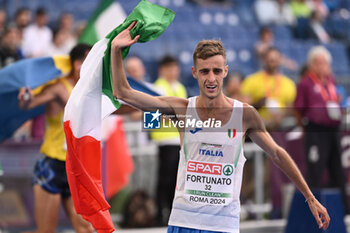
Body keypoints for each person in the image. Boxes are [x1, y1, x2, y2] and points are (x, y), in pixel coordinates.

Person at [110, 21, 329, 233]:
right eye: (204, 71)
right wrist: (115, 51)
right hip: (183, 221)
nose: (211, 78)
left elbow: (277, 153)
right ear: (195, 73)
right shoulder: (182, 109)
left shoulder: (245, 114)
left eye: (216, 71)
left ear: (225, 71)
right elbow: (123, 92)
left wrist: (310, 197)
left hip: (223, 226)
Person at [18, 43, 94, 233]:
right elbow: (30, 103)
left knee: (85, 228)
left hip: (76, 169)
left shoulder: (91, 91)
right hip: (52, 167)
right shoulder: (61, 88)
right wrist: (25, 98)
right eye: (92, 60)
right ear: (78, 64)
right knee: (46, 230)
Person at [294, 45, 348, 213]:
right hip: (316, 131)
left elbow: (337, 101)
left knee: (338, 170)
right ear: (312, 64)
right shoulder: (306, 83)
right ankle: (311, 210)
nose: (323, 66)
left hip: (333, 130)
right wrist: (306, 128)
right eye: (319, 63)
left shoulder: (331, 80)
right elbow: (298, 109)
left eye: (325, 63)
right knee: (315, 170)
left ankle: (344, 210)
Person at [150, 55, 187, 225]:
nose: (174, 71)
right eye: (170, 68)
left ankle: (172, 212)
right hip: (164, 139)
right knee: (164, 178)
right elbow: (152, 116)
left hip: (178, 139)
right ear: (162, 70)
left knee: (175, 178)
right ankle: (160, 213)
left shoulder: (180, 87)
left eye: (175, 67)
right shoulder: (157, 88)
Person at [242, 47, 296, 130]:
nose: (273, 63)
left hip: (281, 128)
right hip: (257, 128)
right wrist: (258, 104)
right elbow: (242, 108)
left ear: (280, 60)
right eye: (270, 60)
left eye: (275, 60)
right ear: (264, 60)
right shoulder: (251, 80)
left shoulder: (289, 83)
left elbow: (291, 108)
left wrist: (282, 115)